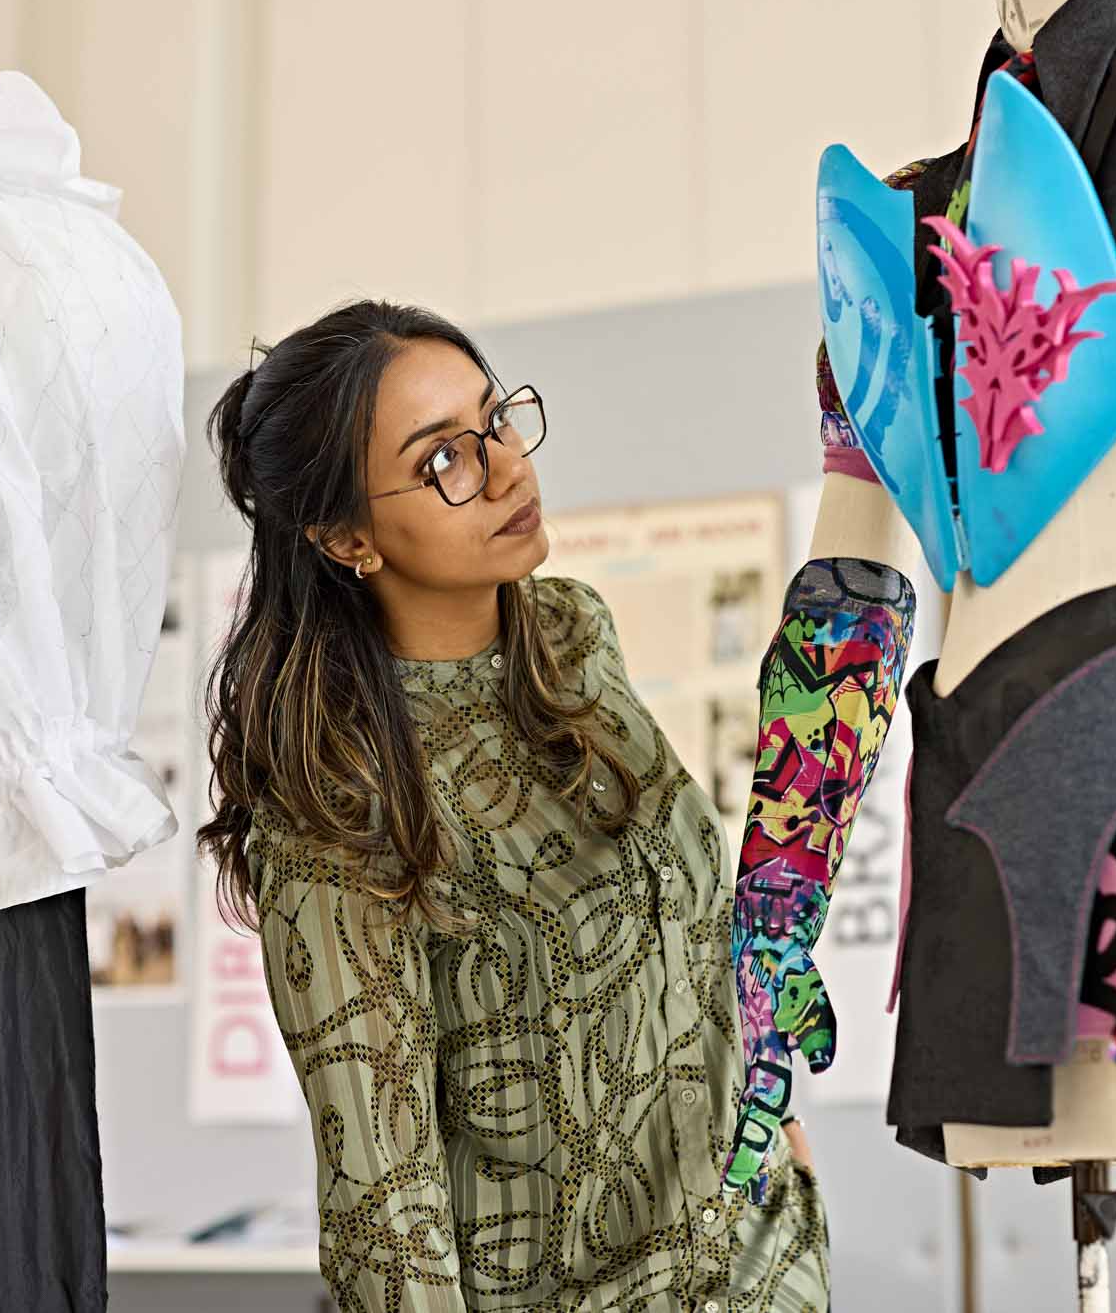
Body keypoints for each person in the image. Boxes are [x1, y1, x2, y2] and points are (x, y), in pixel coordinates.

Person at [198, 301, 828, 1312]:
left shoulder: (574, 634)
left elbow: (692, 931)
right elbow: (382, 1212)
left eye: (494, 421)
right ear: (345, 536)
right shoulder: (336, 802)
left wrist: (780, 1127)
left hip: (766, 1271)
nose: (502, 469)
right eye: (442, 459)